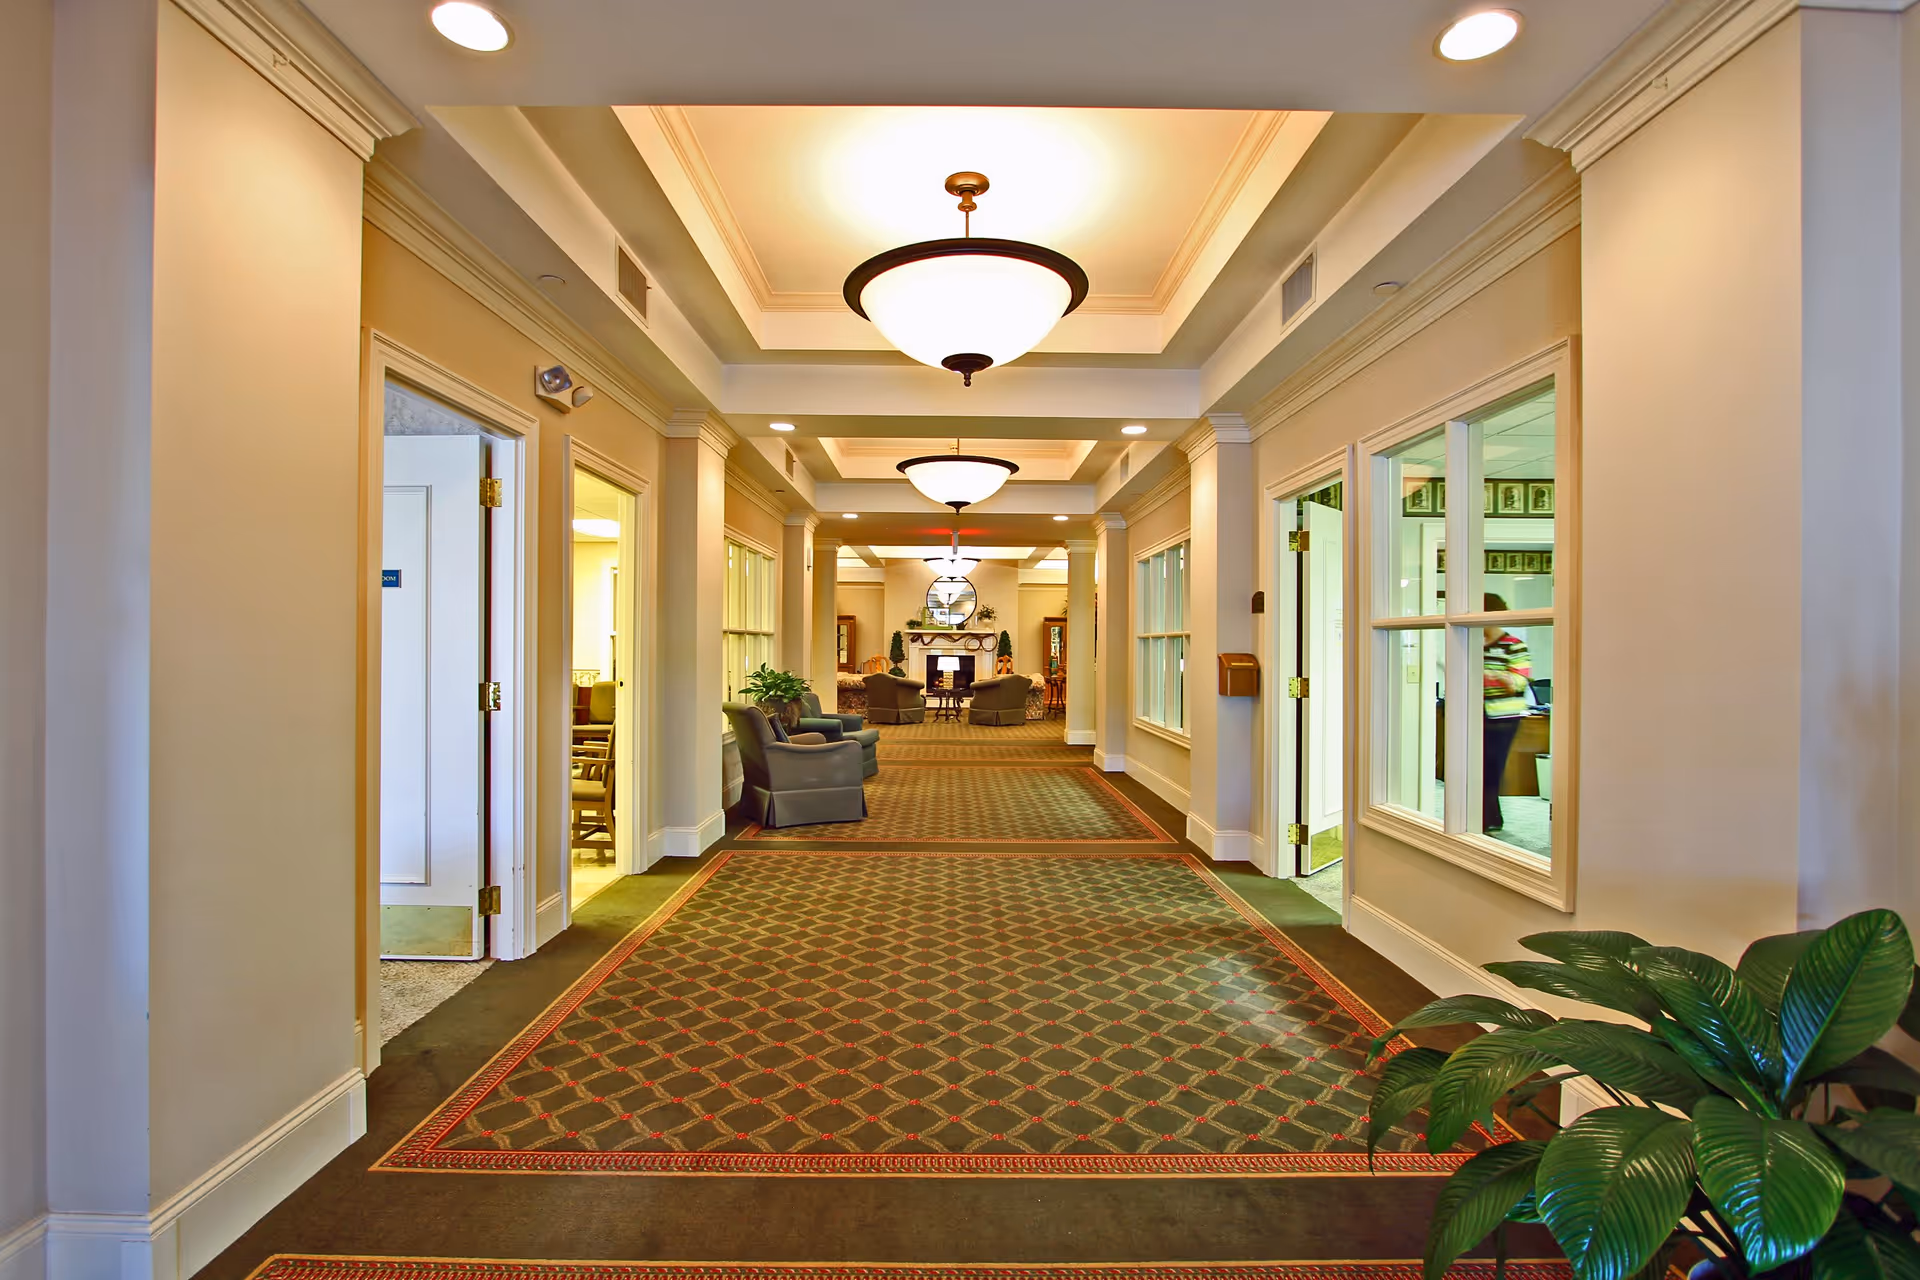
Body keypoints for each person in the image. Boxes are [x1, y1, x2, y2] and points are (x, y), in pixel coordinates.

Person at [1481, 593, 1532, 833]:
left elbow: (1519, 681)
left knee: (1492, 766)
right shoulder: (1472, 642)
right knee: (1476, 768)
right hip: (1476, 715)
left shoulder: (1513, 644)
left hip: (1503, 718)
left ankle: (1489, 818)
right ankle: (1487, 816)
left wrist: (1491, 676)